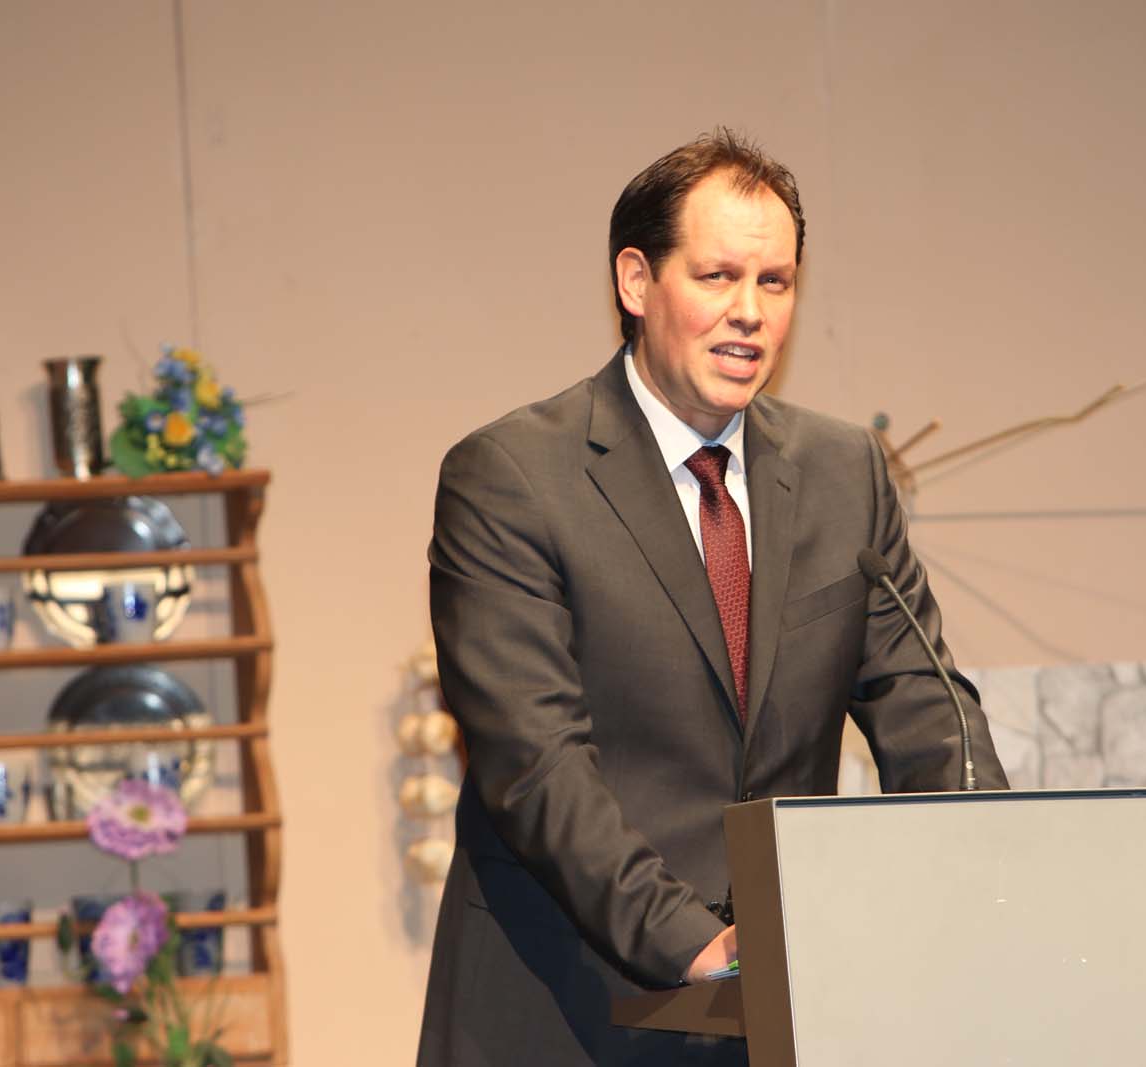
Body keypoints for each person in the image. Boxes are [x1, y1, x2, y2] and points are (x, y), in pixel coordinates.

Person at [417, 130, 1008, 1067]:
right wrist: (697, 941)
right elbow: (533, 761)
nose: (750, 313)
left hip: (781, 1011)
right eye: (718, 276)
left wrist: (990, 871)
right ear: (636, 280)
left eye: (775, 282)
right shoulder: (511, 477)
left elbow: (926, 706)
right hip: (565, 1002)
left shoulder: (843, 472)